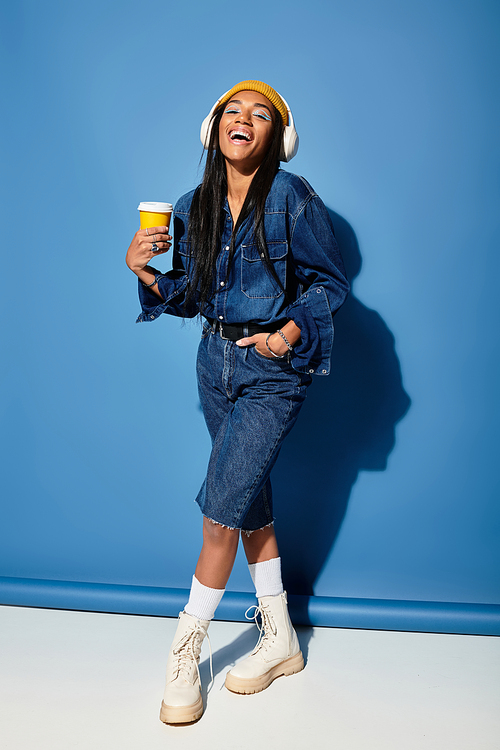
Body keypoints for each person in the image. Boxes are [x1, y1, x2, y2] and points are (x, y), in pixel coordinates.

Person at [125, 80, 349, 724]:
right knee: (247, 498)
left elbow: (331, 282)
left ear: (276, 137)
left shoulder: (292, 198)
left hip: (270, 372)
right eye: (233, 110)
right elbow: (193, 295)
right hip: (213, 364)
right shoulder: (193, 206)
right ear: (215, 127)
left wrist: (284, 335)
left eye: (260, 115)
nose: (243, 120)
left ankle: (184, 650)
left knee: (221, 511)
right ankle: (279, 638)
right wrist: (146, 273)